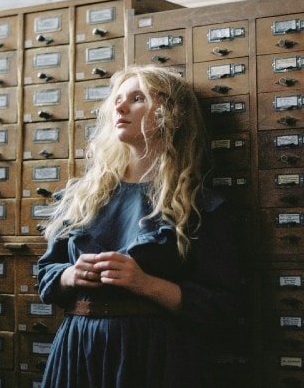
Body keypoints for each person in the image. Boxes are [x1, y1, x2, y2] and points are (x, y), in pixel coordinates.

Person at [37, 65, 244, 388]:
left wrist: (144, 283)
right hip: (79, 346)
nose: (119, 108)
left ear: (171, 115)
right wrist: (69, 275)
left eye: (137, 98)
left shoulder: (200, 205)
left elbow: (221, 305)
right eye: (117, 100)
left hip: (153, 354)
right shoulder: (82, 196)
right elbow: (46, 273)